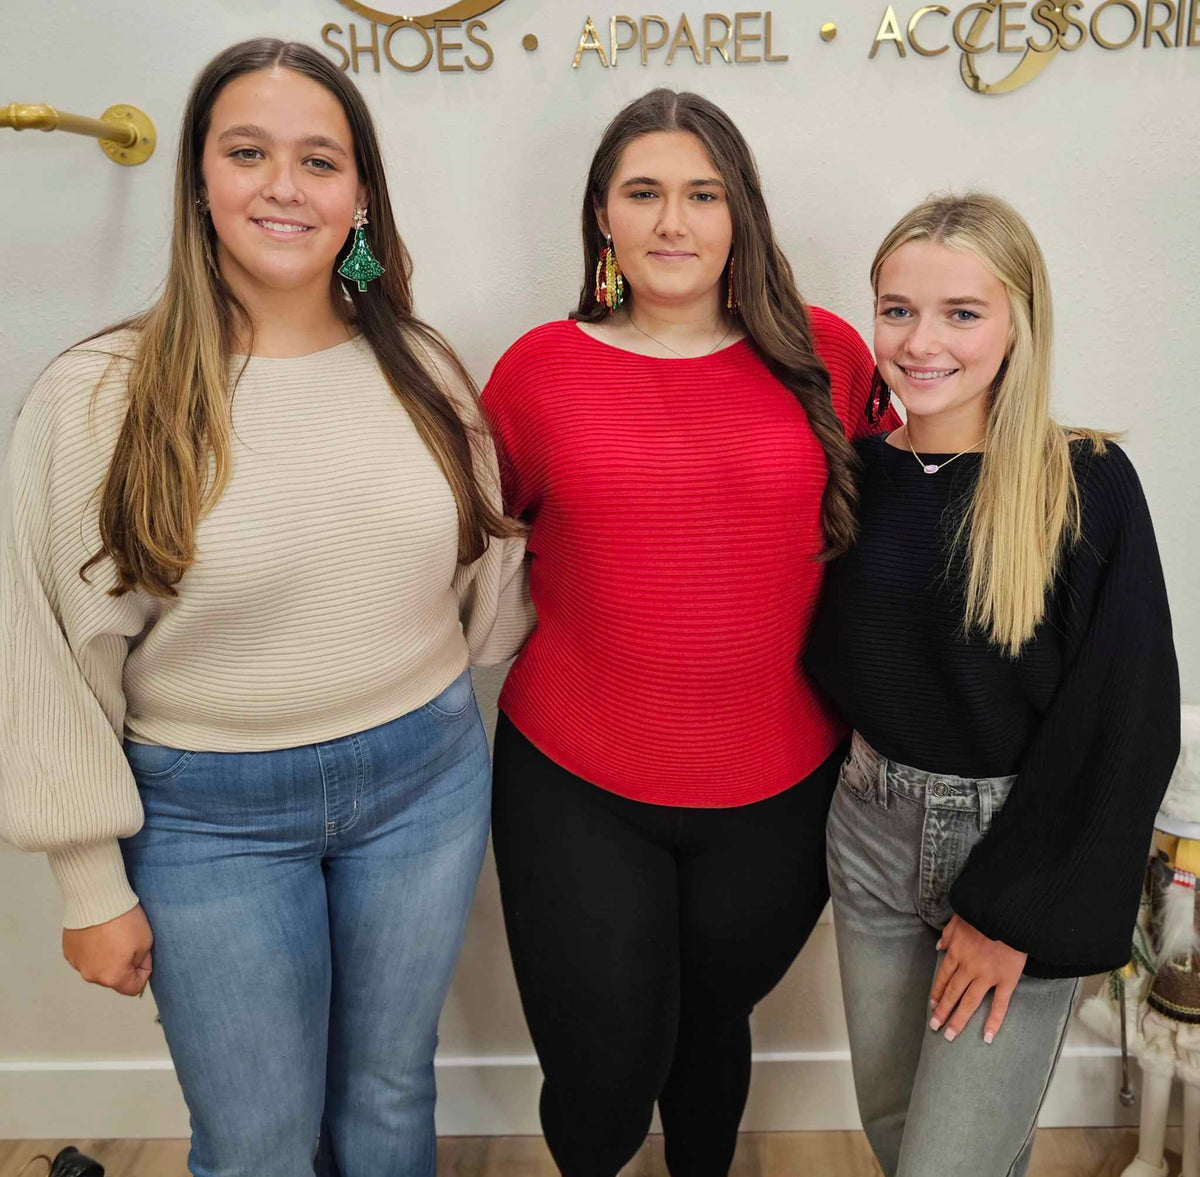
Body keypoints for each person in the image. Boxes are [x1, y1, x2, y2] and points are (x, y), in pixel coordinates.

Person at [0, 38, 532, 1177]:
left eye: (319, 160)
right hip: (208, 818)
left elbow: (484, 587)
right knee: (258, 1145)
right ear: (199, 180)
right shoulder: (98, 398)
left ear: (360, 196)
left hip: (426, 781)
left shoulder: (425, 371)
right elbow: (39, 653)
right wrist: (88, 880)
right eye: (248, 153)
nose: (284, 186)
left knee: (390, 1094)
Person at [480, 88, 900, 1177]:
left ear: (741, 211)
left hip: (780, 784)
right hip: (575, 779)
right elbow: (468, 546)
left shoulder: (828, 355)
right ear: (602, 216)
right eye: (644, 192)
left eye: (703, 194)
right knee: (605, 1073)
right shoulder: (538, 372)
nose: (674, 221)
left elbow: (911, 515)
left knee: (708, 1028)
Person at [804, 191, 1180, 1176]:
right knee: (898, 1134)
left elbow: (1127, 719)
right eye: (897, 310)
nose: (921, 341)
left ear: (1018, 324)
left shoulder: (1084, 481)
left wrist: (1013, 911)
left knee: (950, 1162)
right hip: (870, 833)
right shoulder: (853, 476)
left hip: (1018, 836)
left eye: (961, 313)